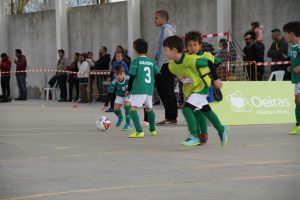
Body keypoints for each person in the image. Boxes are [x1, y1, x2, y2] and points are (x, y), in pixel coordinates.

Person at [163, 35, 229, 146]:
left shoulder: (191, 59)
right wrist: (186, 94)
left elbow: (209, 63)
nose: (165, 53)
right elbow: (183, 79)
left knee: (187, 109)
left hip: (201, 87)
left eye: (166, 50)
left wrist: (216, 79)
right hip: (191, 90)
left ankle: (194, 135)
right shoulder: (172, 66)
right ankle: (222, 130)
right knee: (205, 110)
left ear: (174, 50)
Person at [185, 31, 223, 144]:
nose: (192, 48)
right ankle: (208, 133)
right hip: (190, 88)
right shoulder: (187, 57)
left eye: (195, 45)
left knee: (194, 110)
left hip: (202, 87)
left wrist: (212, 76)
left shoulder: (206, 56)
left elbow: (216, 62)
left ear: (200, 45)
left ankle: (199, 134)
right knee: (201, 110)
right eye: (190, 45)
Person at [126, 39, 160, 138]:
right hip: (149, 89)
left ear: (136, 50)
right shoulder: (151, 62)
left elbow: (132, 77)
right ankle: (153, 130)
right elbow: (158, 75)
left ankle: (139, 131)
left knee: (132, 109)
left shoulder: (136, 61)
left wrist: (128, 90)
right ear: (146, 50)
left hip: (139, 89)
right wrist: (153, 85)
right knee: (149, 109)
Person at [154, 10, 177, 126]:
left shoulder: (165, 30)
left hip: (165, 64)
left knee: (165, 91)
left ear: (163, 19)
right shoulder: (166, 30)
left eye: (156, 18)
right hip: (167, 64)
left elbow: (165, 49)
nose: (155, 20)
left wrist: (158, 65)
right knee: (167, 91)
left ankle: (170, 117)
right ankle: (171, 117)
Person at [283, 21, 300, 135]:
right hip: (296, 78)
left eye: (286, 33)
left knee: (298, 100)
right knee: (297, 101)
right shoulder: (293, 46)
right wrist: (291, 68)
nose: (285, 36)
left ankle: (298, 125)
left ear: (292, 34)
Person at [102, 65, 131, 130]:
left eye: (120, 74)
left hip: (128, 94)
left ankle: (128, 124)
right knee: (115, 109)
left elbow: (134, 84)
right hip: (120, 95)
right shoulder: (114, 82)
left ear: (124, 73)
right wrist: (106, 104)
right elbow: (110, 93)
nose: (119, 76)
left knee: (127, 107)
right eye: (117, 74)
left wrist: (130, 91)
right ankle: (120, 117)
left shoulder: (128, 78)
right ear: (114, 74)